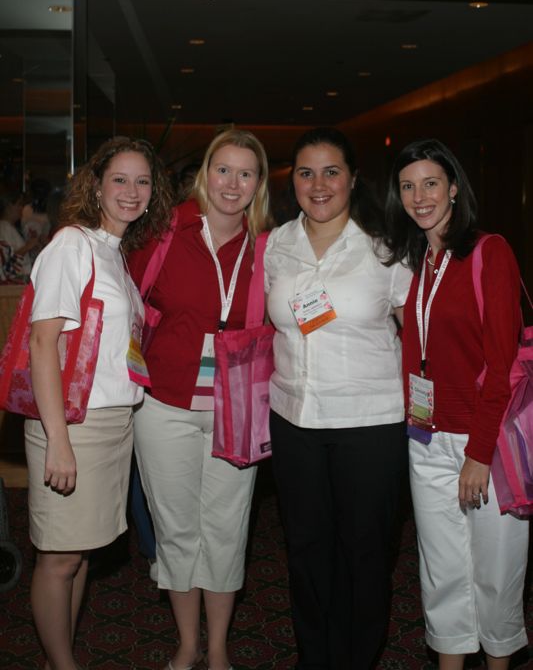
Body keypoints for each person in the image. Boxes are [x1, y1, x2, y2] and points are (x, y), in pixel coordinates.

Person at [264, 127, 412, 670]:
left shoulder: (386, 244)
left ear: (352, 178)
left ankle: (357, 658)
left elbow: (419, 329)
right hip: (293, 418)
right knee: (305, 550)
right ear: (293, 182)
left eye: (331, 171)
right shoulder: (277, 244)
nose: (319, 184)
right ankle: (316, 656)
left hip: (369, 424)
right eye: (306, 172)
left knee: (365, 552)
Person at [26, 136, 173, 670]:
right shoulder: (72, 245)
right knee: (60, 556)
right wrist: (59, 442)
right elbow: (43, 343)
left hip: (111, 423)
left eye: (142, 181)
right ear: (96, 184)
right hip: (73, 423)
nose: (131, 192)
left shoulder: (115, 254)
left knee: (81, 549)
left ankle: (56, 658)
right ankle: (62, 664)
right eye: (119, 179)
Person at [128, 128, 272, 670]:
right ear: (204, 174)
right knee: (176, 527)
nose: (232, 184)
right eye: (223, 170)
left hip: (237, 409)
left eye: (246, 173)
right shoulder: (163, 234)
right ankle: (187, 644)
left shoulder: (270, 247)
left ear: (259, 184)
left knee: (227, 529)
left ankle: (218, 648)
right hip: (164, 404)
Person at [384, 138, 529, 670]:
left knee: (495, 571)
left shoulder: (489, 252)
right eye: (407, 186)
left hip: (482, 442)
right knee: (440, 572)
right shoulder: (415, 261)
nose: (419, 196)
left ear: (453, 189)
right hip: (425, 438)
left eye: (430, 183)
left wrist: (480, 451)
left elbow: (502, 363)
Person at [0, 188, 42, 280]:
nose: (21, 208)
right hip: (12, 285)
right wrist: (27, 246)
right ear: (8, 206)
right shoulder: (3, 229)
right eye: (18, 204)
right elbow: (6, 263)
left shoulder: (12, 228)